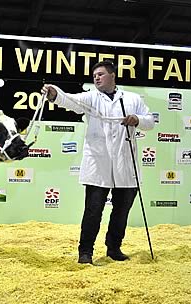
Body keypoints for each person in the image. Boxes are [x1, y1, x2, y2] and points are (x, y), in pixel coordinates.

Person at [41, 60, 155, 264]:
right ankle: (85, 252)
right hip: (98, 166)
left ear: (112, 75)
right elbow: (70, 101)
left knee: (121, 212)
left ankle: (114, 248)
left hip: (126, 167)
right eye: (95, 75)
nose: (96, 78)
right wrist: (54, 94)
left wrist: (136, 119)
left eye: (101, 74)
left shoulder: (132, 98)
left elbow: (150, 121)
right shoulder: (91, 97)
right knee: (93, 212)